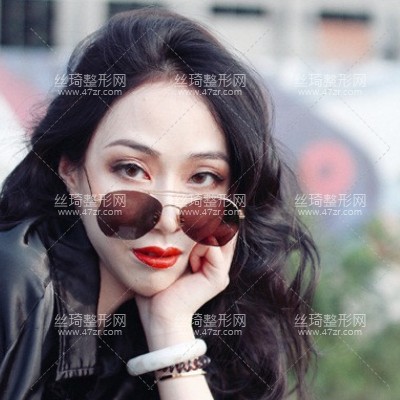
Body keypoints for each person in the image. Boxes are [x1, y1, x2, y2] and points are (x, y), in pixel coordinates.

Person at [0, 7, 318, 400]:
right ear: (71, 170)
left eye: (202, 178)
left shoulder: (168, 322)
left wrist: (170, 328)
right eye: (132, 169)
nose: (168, 220)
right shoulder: (15, 283)